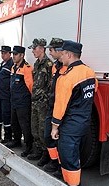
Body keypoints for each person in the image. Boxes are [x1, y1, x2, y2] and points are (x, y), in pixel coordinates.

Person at [51, 40, 97, 186]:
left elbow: (60, 104)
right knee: (74, 151)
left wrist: (54, 127)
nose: (60, 57)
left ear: (69, 54)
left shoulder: (67, 77)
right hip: (84, 120)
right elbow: (94, 89)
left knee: (67, 154)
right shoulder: (89, 71)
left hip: (71, 122)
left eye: (63, 53)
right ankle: (73, 183)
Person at [41, 38, 67, 175]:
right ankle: (54, 161)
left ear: (58, 51)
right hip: (52, 107)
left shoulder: (68, 67)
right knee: (48, 136)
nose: (49, 52)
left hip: (62, 109)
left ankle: (61, 167)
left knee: (61, 140)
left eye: (51, 50)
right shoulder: (55, 66)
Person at [26, 38, 53, 161]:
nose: (33, 51)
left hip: (43, 103)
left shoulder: (49, 65)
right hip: (35, 101)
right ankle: (37, 150)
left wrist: (46, 100)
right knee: (34, 128)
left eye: (34, 48)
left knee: (43, 130)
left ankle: (45, 154)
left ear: (42, 48)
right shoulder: (36, 64)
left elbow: (51, 86)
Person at [5, 46, 34, 157]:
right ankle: (16, 140)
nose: (13, 56)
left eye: (16, 54)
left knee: (25, 125)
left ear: (22, 55)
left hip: (23, 102)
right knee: (14, 123)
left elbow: (31, 86)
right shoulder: (14, 67)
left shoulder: (27, 68)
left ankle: (28, 146)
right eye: (13, 54)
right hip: (14, 101)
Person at [0, 46, 14, 143]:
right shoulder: (3, 64)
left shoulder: (11, 64)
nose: (2, 55)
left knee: (6, 116)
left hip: (6, 96)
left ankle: (8, 137)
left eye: (4, 53)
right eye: (2, 53)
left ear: (9, 53)